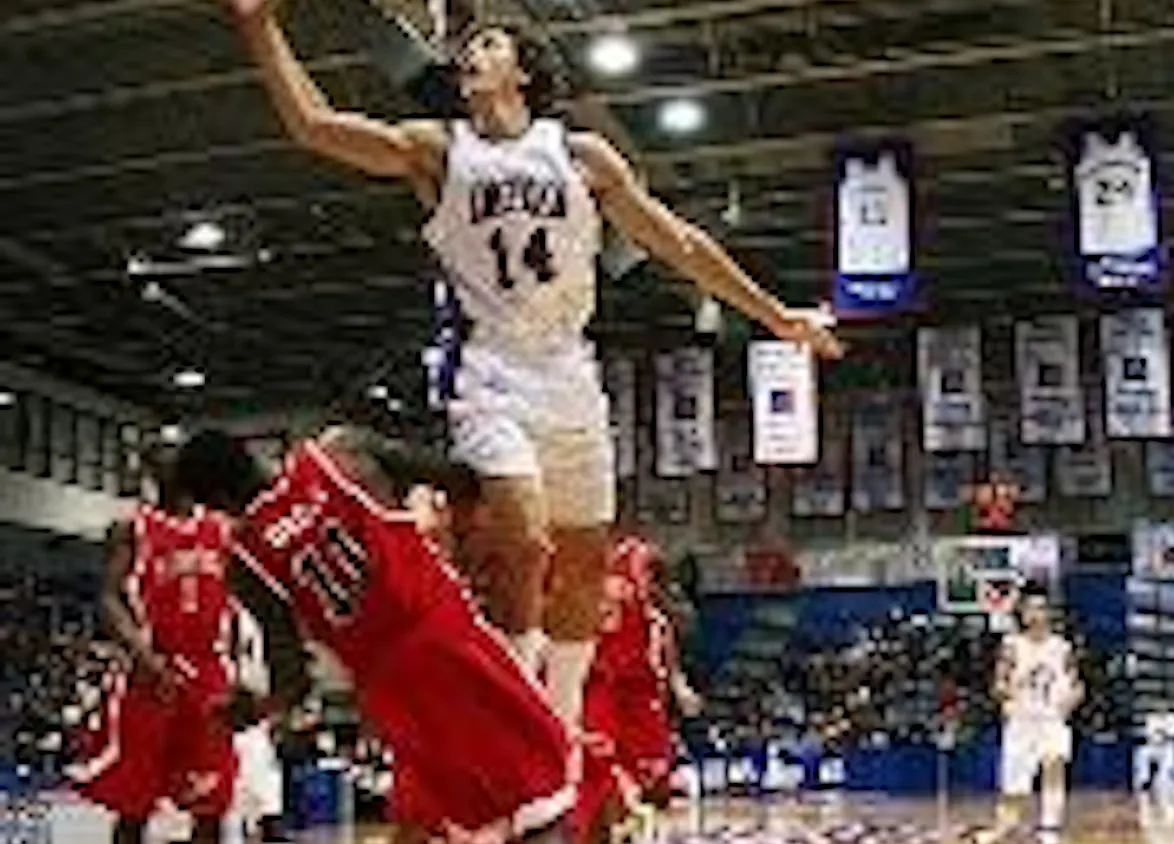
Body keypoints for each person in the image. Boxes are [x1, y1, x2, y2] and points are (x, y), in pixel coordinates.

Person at [224, 0, 844, 733]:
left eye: (486, 44)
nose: (469, 55)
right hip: (489, 371)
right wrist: (259, 27)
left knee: (584, 563)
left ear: (523, 68)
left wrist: (776, 316)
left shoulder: (584, 158)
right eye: (467, 47)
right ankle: (512, 699)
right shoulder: (440, 149)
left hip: (570, 373)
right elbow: (316, 129)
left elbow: (680, 242)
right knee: (523, 534)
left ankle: (560, 721)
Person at [173, 426, 573, 844]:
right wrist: (461, 549)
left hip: (390, 688)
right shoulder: (341, 455)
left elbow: (291, 679)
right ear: (251, 453)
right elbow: (458, 478)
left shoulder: (244, 559)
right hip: (449, 639)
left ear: (215, 502)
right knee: (536, 798)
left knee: (455, 819)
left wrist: (255, 709)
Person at [66, 446, 239, 844]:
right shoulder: (131, 527)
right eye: (159, 458)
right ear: (151, 471)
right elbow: (108, 596)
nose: (169, 466)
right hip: (151, 671)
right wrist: (141, 653)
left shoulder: (222, 528)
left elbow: (248, 595)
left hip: (209, 673)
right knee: (134, 803)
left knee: (210, 802)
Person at [576, 533, 702, 843]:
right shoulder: (604, 603)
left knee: (645, 787)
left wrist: (679, 686)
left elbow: (667, 662)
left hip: (642, 705)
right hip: (606, 694)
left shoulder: (656, 622)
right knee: (605, 780)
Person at [989, 585, 1082, 844]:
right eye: (1030, 608)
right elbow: (997, 685)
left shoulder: (1062, 647)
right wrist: (1007, 691)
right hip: (1021, 722)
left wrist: (1070, 701)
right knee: (1014, 788)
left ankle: (1050, 829)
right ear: (1022, 613)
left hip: (1051, 720)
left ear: (1049, 613)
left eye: (1041, 608)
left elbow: (1077, 685)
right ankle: (1005, 825)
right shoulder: (1012, 645)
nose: (1036, 613)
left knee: (1054, 765)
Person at [227, 602, 290, 844]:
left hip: (255, 726)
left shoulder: (255, 614)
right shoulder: (227, 611)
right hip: (232, 723)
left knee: (268, 811)